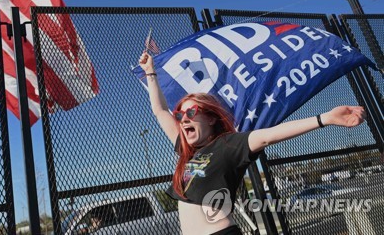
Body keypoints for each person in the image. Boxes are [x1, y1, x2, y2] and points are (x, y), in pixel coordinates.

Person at [138, 51, 366, 235]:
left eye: (191, 112)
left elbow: (268, 135)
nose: (183, 118)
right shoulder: (186, 152)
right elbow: (159, 111)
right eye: (180, 115)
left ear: (210, 117)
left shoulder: (227, 145)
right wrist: (151, 72)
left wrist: (324, 118)